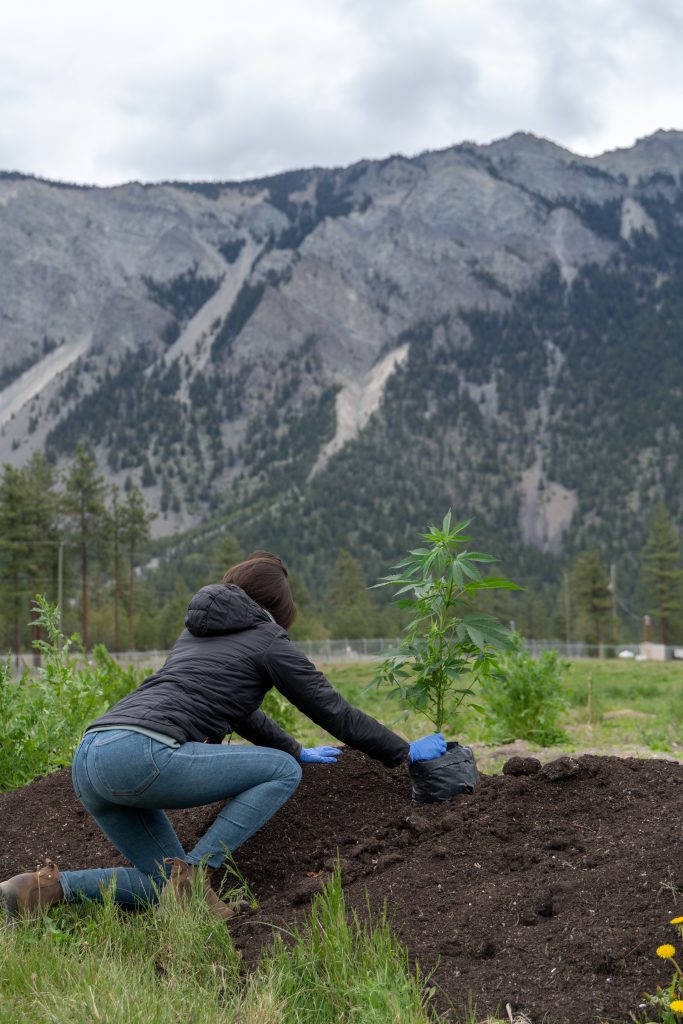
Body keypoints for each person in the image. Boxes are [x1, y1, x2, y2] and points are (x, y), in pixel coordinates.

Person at [0, 552, 446, 921]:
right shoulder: (267, 638)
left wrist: (294, 745)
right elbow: (332, 709)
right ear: (276, 607)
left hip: (92, 753)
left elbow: (239, 712)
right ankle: (199, 873)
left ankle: (42, 890)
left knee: (162, 882)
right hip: (144, 753)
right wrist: (403, 751)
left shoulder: (195, 634)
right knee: (281, 771)